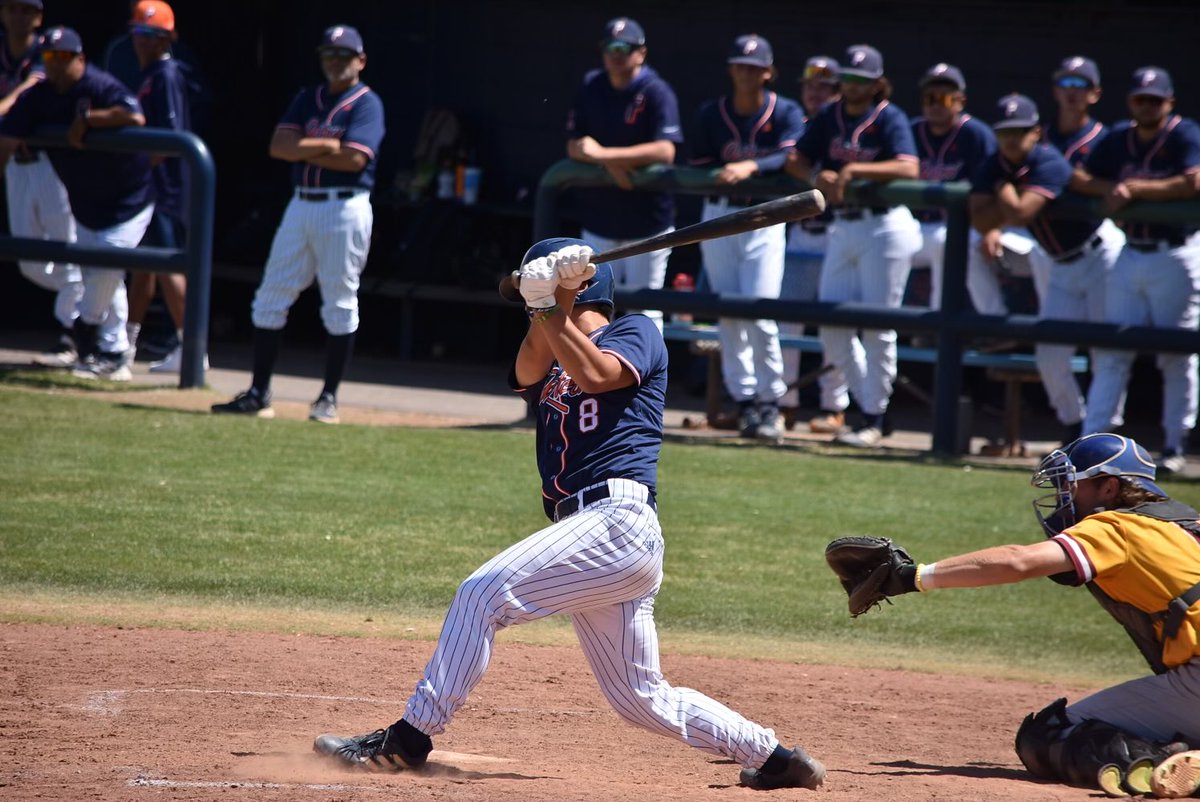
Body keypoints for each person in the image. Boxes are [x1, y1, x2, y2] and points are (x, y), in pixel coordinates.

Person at [311, 239, 827, 792]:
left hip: (616, 519)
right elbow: (527, 368)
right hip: (590, 533)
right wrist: (544, 304)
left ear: (583, 286)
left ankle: (409, 741)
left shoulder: (637, 331)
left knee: (481, 595)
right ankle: (776, 758)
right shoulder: (552, 343)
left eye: (538, 293)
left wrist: (553, 302)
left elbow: (598, 376)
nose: (528, 304)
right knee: (640, 698)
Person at [855, 433, 1200, 797]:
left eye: (1071, 485)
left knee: (1049, 734)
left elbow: (1018, 561)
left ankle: (1168, 765)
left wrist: (913, 577)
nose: (1062, 497)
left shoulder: (1118, 527)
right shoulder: (1187, 525)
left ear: (1109, 488)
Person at [211, 25, 384, 423]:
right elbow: (277, 147)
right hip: (301, 205)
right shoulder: (309, 97)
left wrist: (302, 151)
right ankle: (258, 393)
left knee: (339, 302)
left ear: (361, 60)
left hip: (344, 207)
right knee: (270, 297)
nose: (336, 62)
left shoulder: (367, 103)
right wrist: (325, 146)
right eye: (329, 54)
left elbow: (355, 158)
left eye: (344, 55)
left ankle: (328, 398)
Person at [787, 43, 921, 447]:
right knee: (832, 322)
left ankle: (873, 416)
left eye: (863, 79)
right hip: (843, 228)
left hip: (884, 225)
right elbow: (796, 158)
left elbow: (909, 166)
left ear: (878, 83)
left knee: (878, 328)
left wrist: (852, 169)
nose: (854, 85)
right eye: (849, 78)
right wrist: (816, 174)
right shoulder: (831, 114)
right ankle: (867, 407)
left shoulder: (889, 116)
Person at [970, 94, 1122, 446]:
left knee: (1107, 353)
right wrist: (1002, 200)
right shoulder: (992, 164)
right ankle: (1075, 427)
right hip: (1059, 263)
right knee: (1050, 355)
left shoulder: (1049, 161)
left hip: (1098, 254)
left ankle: (1105, 436)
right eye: (1005, 131)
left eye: (1020, 131)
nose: (1012, 139)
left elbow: (1021, 213)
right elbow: (980, 220)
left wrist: (1003, 192)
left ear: (1035, 132)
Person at [0, 25, 150, 381]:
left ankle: (100, 341)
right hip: (86, 197)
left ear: (80, 58)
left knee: (106, 265)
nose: (56, 65)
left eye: (64, 57)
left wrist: (89, 119)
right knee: (92, 271)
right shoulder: (40, 94)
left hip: (128, 197)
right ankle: (104, 350)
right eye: (50, 57)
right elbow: (7, 136)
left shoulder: (99, 85)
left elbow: (135, 115)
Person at [1076, 66, 1200, 475]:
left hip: (1176, 251)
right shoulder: (1118, 137)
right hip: (1131, 251)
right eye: (1140, 99)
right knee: (1113, 349)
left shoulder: (1184, 134)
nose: (1146, 106)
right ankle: (1092, 445)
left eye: (1154, 100)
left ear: (1169, 103)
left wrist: (1136, 189)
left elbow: (1194, 181)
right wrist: (1107, 189)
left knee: (1175, 353)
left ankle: (1174, 444)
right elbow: (1078, 175)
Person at [690, 33, 803, 444]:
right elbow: (698, 166)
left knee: (759, 311)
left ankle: (770, 402)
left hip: (764, 216)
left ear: (768, 73)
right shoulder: (711, 113)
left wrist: (750, 167)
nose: (745, 72)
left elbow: (792, 155)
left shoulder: (786, 110)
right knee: (728, 314)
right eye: (740, 65)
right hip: (720, 213)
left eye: (754, 67)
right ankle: (744, 403)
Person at [565, 16, 682, 333]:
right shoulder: (592, 85)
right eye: (610, 47)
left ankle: (648, 381)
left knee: (645, 312)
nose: (616, 54)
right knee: (592, 307)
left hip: (647, 222)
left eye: (624, 47)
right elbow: (575, 145)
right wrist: (611, 164)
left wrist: (603, 156)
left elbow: (665, 150)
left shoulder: (656, 91)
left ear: (641, 53)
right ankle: (594, 382)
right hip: (600, 218)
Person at [0, 0, 90, 368]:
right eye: (12, 9)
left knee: (67, 245)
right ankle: (90, 302)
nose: (19, 16)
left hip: (50, 163)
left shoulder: (46, 49)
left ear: (38, 16)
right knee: (28, 261)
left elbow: (25, 94)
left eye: (27, 10)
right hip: (16, 164)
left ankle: (74, 332)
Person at [123, 0, 201, 373]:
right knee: (143, 268)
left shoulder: (166, 75)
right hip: (151, 190)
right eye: (139, 33)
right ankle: (125, 345)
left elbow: (170, 140)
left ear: (169, 37)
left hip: (166, 189)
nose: (144, 41)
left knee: (169, 265)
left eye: (153, 35)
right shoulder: (150, 75)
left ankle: (191, 350)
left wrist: (134, 168)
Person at [778, 55, 848, 433]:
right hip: (802, 233)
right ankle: (784, 402)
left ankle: (833, 406)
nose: (815, 91)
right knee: (787, 326)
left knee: (833, 327)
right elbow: (788, 160)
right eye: (810, 84)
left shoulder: (842, 128)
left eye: (824, 85)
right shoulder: (798, 126)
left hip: (838, 234)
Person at [908, 63, 996, 312]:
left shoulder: (976, 134)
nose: (936, 105)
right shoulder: (912, 130)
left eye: (944, 98)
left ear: (960, 100)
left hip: (961, 227)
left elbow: (993, 185)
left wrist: (993, 227)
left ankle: (939, 327)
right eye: (929, 98)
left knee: (946, 243)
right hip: (915, 225)